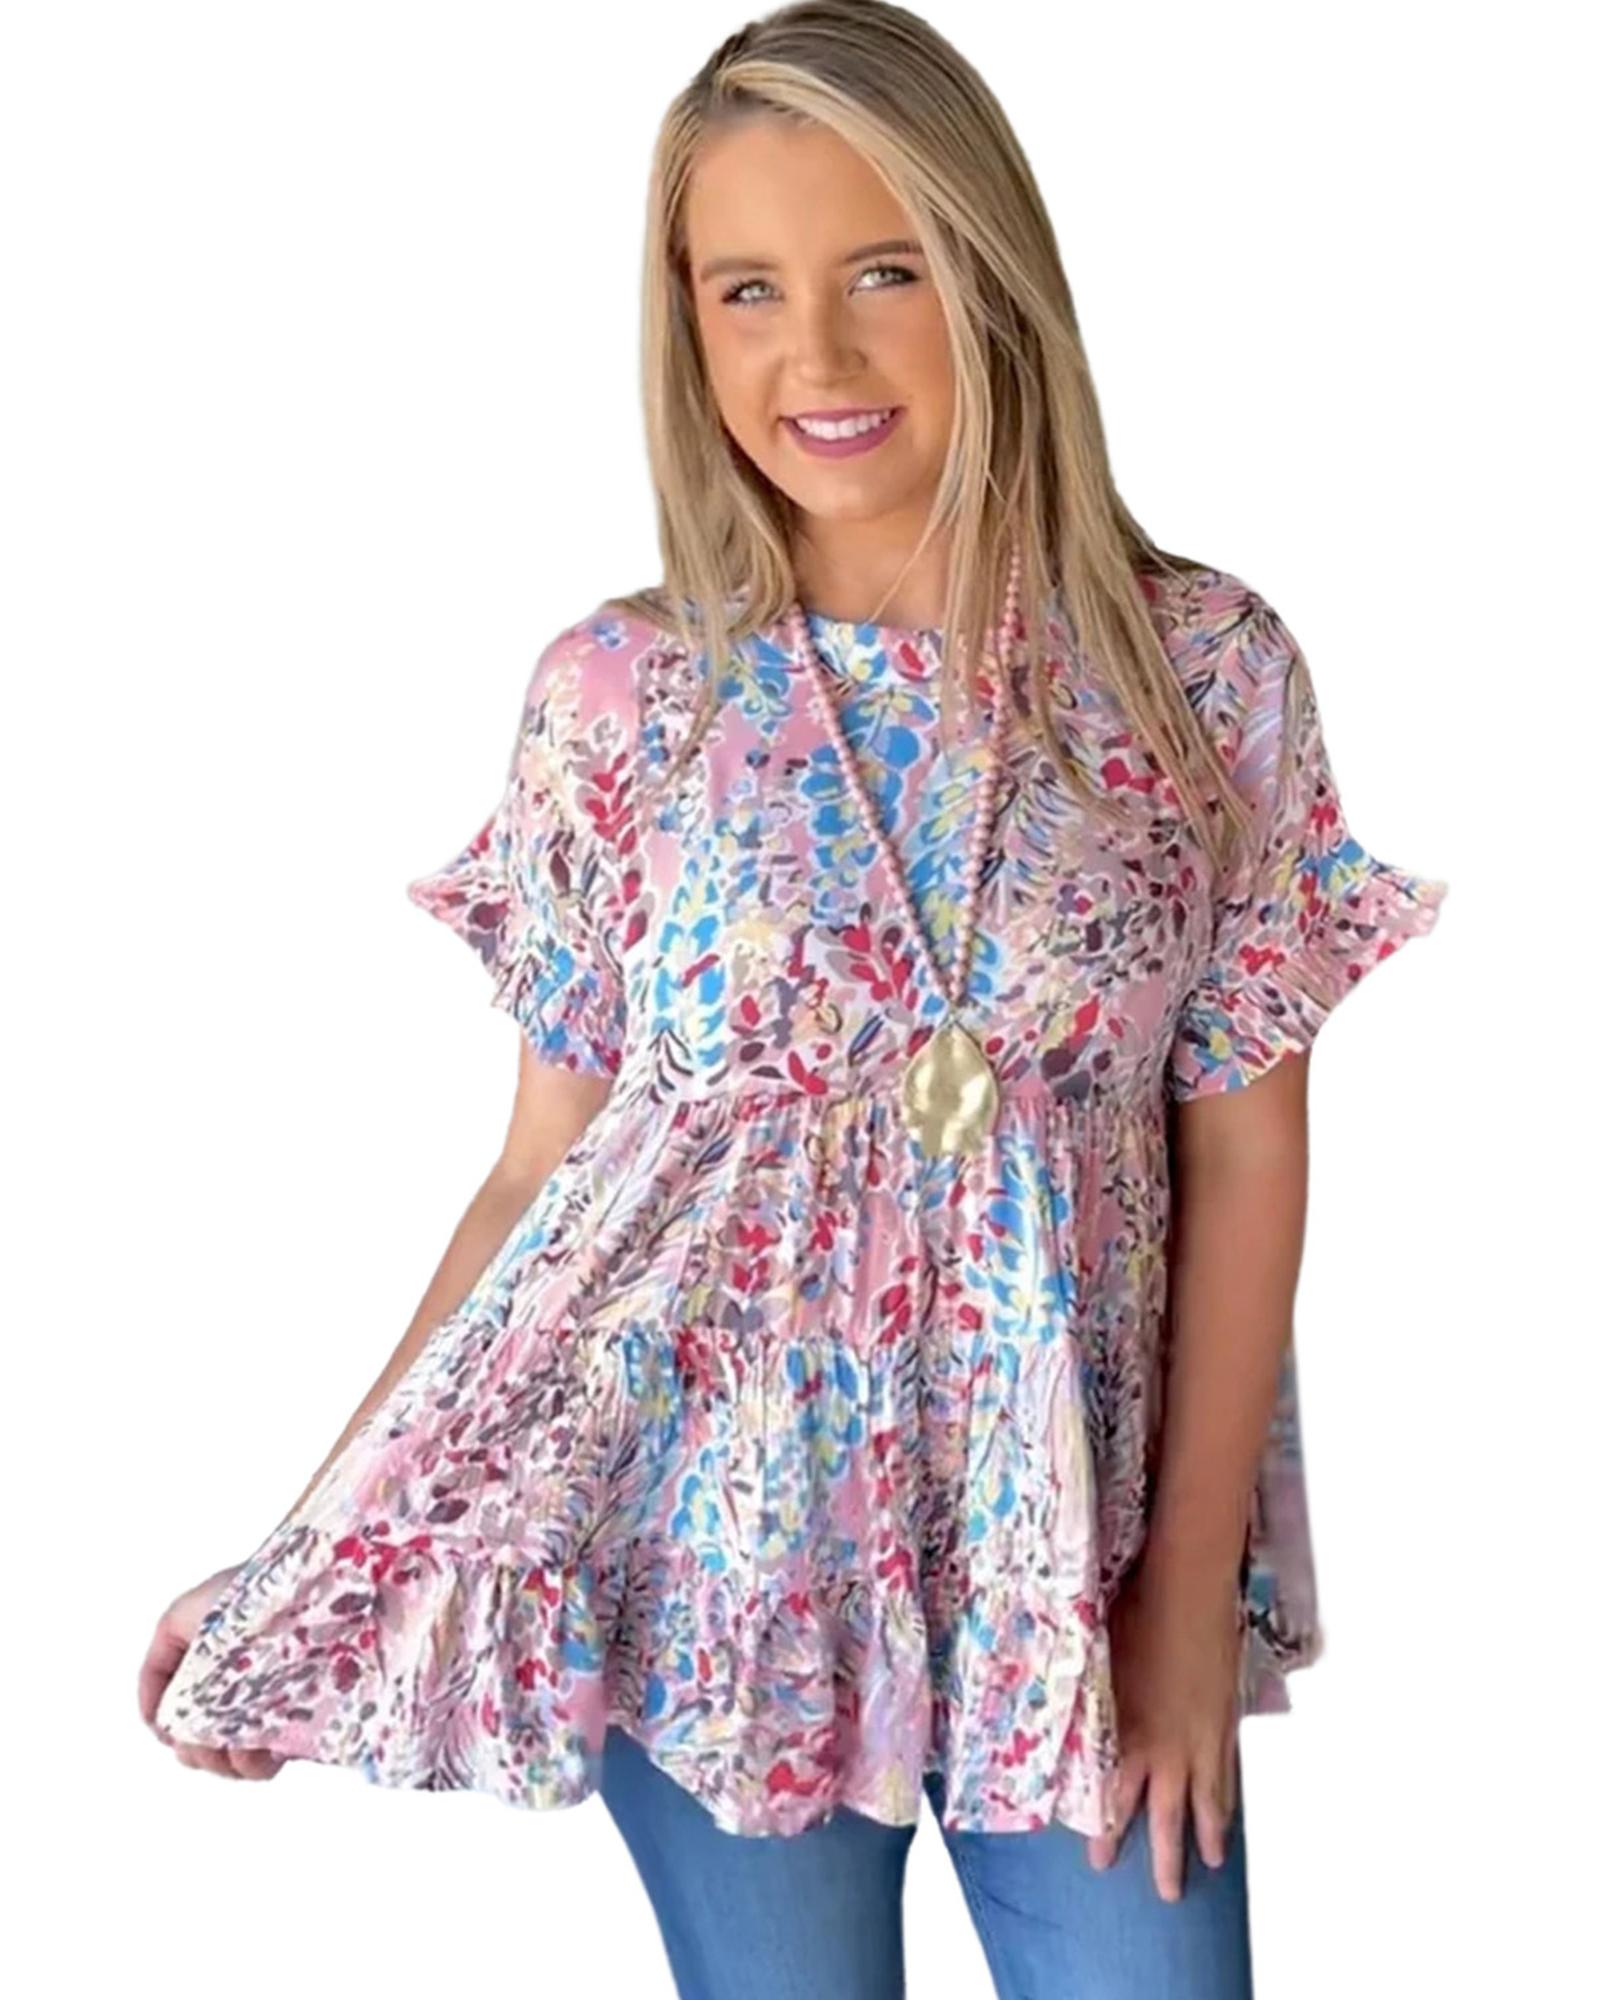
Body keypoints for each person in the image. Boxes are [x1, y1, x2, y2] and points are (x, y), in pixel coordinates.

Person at [138, 4, 1449, 1995]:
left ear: (990, 281)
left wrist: (1185, 1599)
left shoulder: (1198, 672)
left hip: (1068, 1556)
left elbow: (1246, 1153)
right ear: (684, 319)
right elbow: (539, 1187)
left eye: (882, 272)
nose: (813, 355)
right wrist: (321, 1538)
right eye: (745, 288)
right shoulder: (621, 696)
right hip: (715, 1568)